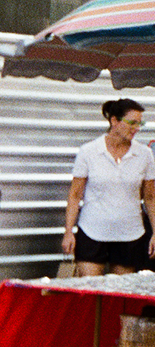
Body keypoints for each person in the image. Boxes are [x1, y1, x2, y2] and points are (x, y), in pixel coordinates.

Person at [62, 97, 155, 278]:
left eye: (140, 123)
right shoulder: (89, 151)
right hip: (92, 231)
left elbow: (150, 197)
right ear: (114, 121)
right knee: (90, 288)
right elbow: (75, 195)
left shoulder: (144, 154)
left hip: (130, 234)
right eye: (132, 122)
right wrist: (68, 232)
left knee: (120, 292)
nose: (136, 128)